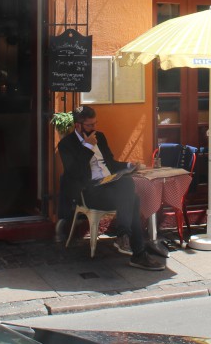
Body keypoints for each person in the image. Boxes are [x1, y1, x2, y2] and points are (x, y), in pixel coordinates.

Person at [57, 106, 164, 271]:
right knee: (132, 197)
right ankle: (135, 250)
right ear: (78, 125)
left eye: (95, 124)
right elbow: (74, 173)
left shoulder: (100, 137)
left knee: (128, 186)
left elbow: (111, 163)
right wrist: (87, 147)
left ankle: (126, 239)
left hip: (110, 185)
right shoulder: (66, 144)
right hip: (90, 191)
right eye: (89, 125)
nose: (94, 129)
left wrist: (130, 165)